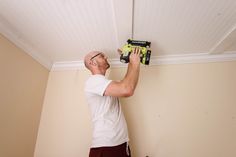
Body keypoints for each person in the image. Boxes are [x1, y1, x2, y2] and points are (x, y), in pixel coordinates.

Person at [84, 48, 141, 157]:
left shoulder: (105, 83)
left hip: (118, 143)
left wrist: (130, 61)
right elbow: (127, 89)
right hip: (107, 145)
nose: (106, 57)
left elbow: (126, 84)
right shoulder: (93, 81)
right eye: (101, 56)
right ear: (92, 62)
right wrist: (134, 62)